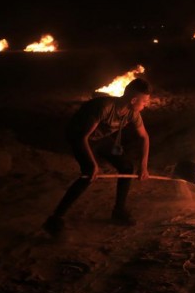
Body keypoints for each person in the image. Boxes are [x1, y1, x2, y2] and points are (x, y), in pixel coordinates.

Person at [43, 78, 152, 236]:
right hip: (79, 136)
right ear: (134, 100)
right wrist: (93, 164)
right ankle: (55, 219)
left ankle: (118, 211)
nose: (146, 104)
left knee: (127, 166)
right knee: (89, 173)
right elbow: (82, 137)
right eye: (145, 101)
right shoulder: (105, 107)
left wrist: (143, 167)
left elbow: (144, 138)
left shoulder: (132, 113)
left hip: (99, 138)